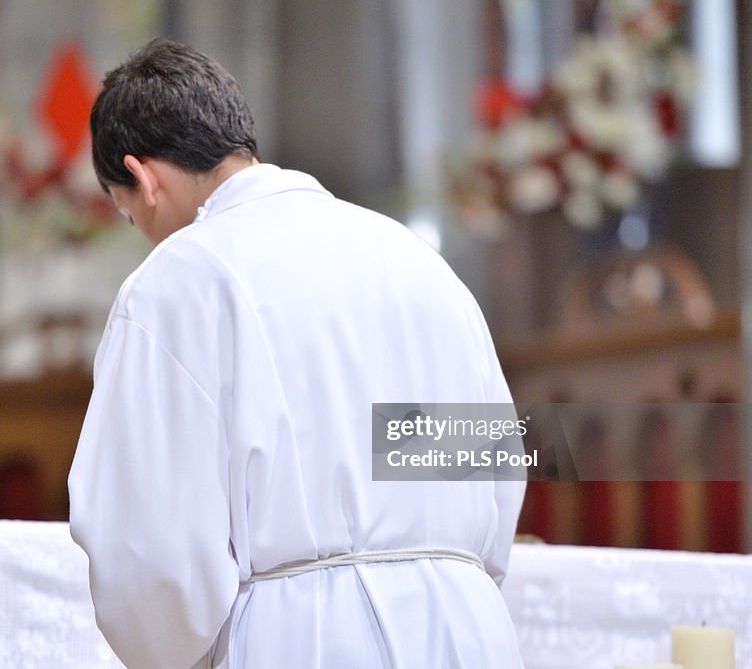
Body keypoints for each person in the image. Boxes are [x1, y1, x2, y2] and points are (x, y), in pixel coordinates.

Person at [68, 38, 525, 669]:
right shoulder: (421, 261)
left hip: (306, 640)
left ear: (143, 179)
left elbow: (153, 555)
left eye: (127, 215)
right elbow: (489, 459)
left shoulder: (177, 281)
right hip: (467, 629)